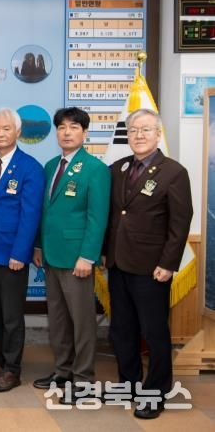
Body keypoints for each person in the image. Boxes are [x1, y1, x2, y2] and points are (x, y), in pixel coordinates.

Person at [103, 109, 193, 420]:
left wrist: (168, 263)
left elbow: (180, 223)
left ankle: (155, 392)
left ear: (158, 134)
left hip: (152, 268)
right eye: (133, 130)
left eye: (145, 130)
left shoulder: (173, 172)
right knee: (122, 330)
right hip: (118, 263)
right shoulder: (118, 168)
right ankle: (128, 385)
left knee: (154, 333)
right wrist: (105, 252)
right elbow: (113, 216)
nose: (138, 135)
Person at [32, 107, 110, 402]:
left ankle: (84, 378)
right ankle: (62, 371)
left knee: (82, 321)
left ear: (85, 133)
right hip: (51, 255)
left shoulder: (95, 169)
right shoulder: (51, 165)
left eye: (74, 127)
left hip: (78, 258)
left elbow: (97, 217)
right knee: (59, 319)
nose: (67, 132)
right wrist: (39, 246)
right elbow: (45, 212)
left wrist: (88, 256)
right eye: (62, 127)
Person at [0, 108, 44, 392]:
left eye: (6, 128)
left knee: (12, 316)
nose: (0, 133)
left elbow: (31, 214)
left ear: (18, 132)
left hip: (12, 253)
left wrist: (20, 252)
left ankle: (12, 370)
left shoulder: (30, 167)